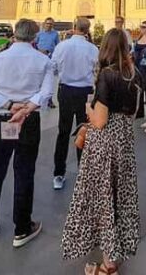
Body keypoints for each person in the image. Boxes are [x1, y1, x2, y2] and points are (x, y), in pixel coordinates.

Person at [61, 28, 141, 275]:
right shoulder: (133, 73)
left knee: (102, 198)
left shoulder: (107, 75)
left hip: (104, 143)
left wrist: (88, 107)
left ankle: (108, 265)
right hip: (124, 140)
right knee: (120, 196)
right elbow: (135, 111)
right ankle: (115, 253)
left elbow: (99, 121)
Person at [0, 18, 52, 249]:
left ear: (14, 34)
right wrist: (28, 106)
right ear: (35, 37)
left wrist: (9, 105)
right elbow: (47, 92)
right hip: (27, 121)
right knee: (24, 171)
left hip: (4, 118)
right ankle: (21, 227)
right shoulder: (42, 60)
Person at [51, 17, 99, 190]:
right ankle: (84, 171)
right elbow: (97, 69)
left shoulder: (62, 46)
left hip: (65, 90)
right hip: (84, 92)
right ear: (87, 30)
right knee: (84, 130)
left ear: (74, 27)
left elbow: (53, 68)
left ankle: (58, 173)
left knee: (63, 132)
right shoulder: (92, 49)